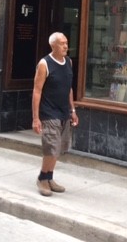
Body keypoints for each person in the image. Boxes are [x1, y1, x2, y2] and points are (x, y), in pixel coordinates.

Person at [32, 32, 79, 196]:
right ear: (53, 46)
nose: (66, 46)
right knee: (51, 148)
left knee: (58, 148)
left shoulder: (69, 62)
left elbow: (68, 88)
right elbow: (37, 91)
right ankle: (42, 179)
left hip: (63, 112)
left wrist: (72, 110)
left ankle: (49, 177)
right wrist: (36, 118)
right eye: (62, 43)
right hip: (49, 112)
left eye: (66, 43)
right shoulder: (45, 63)